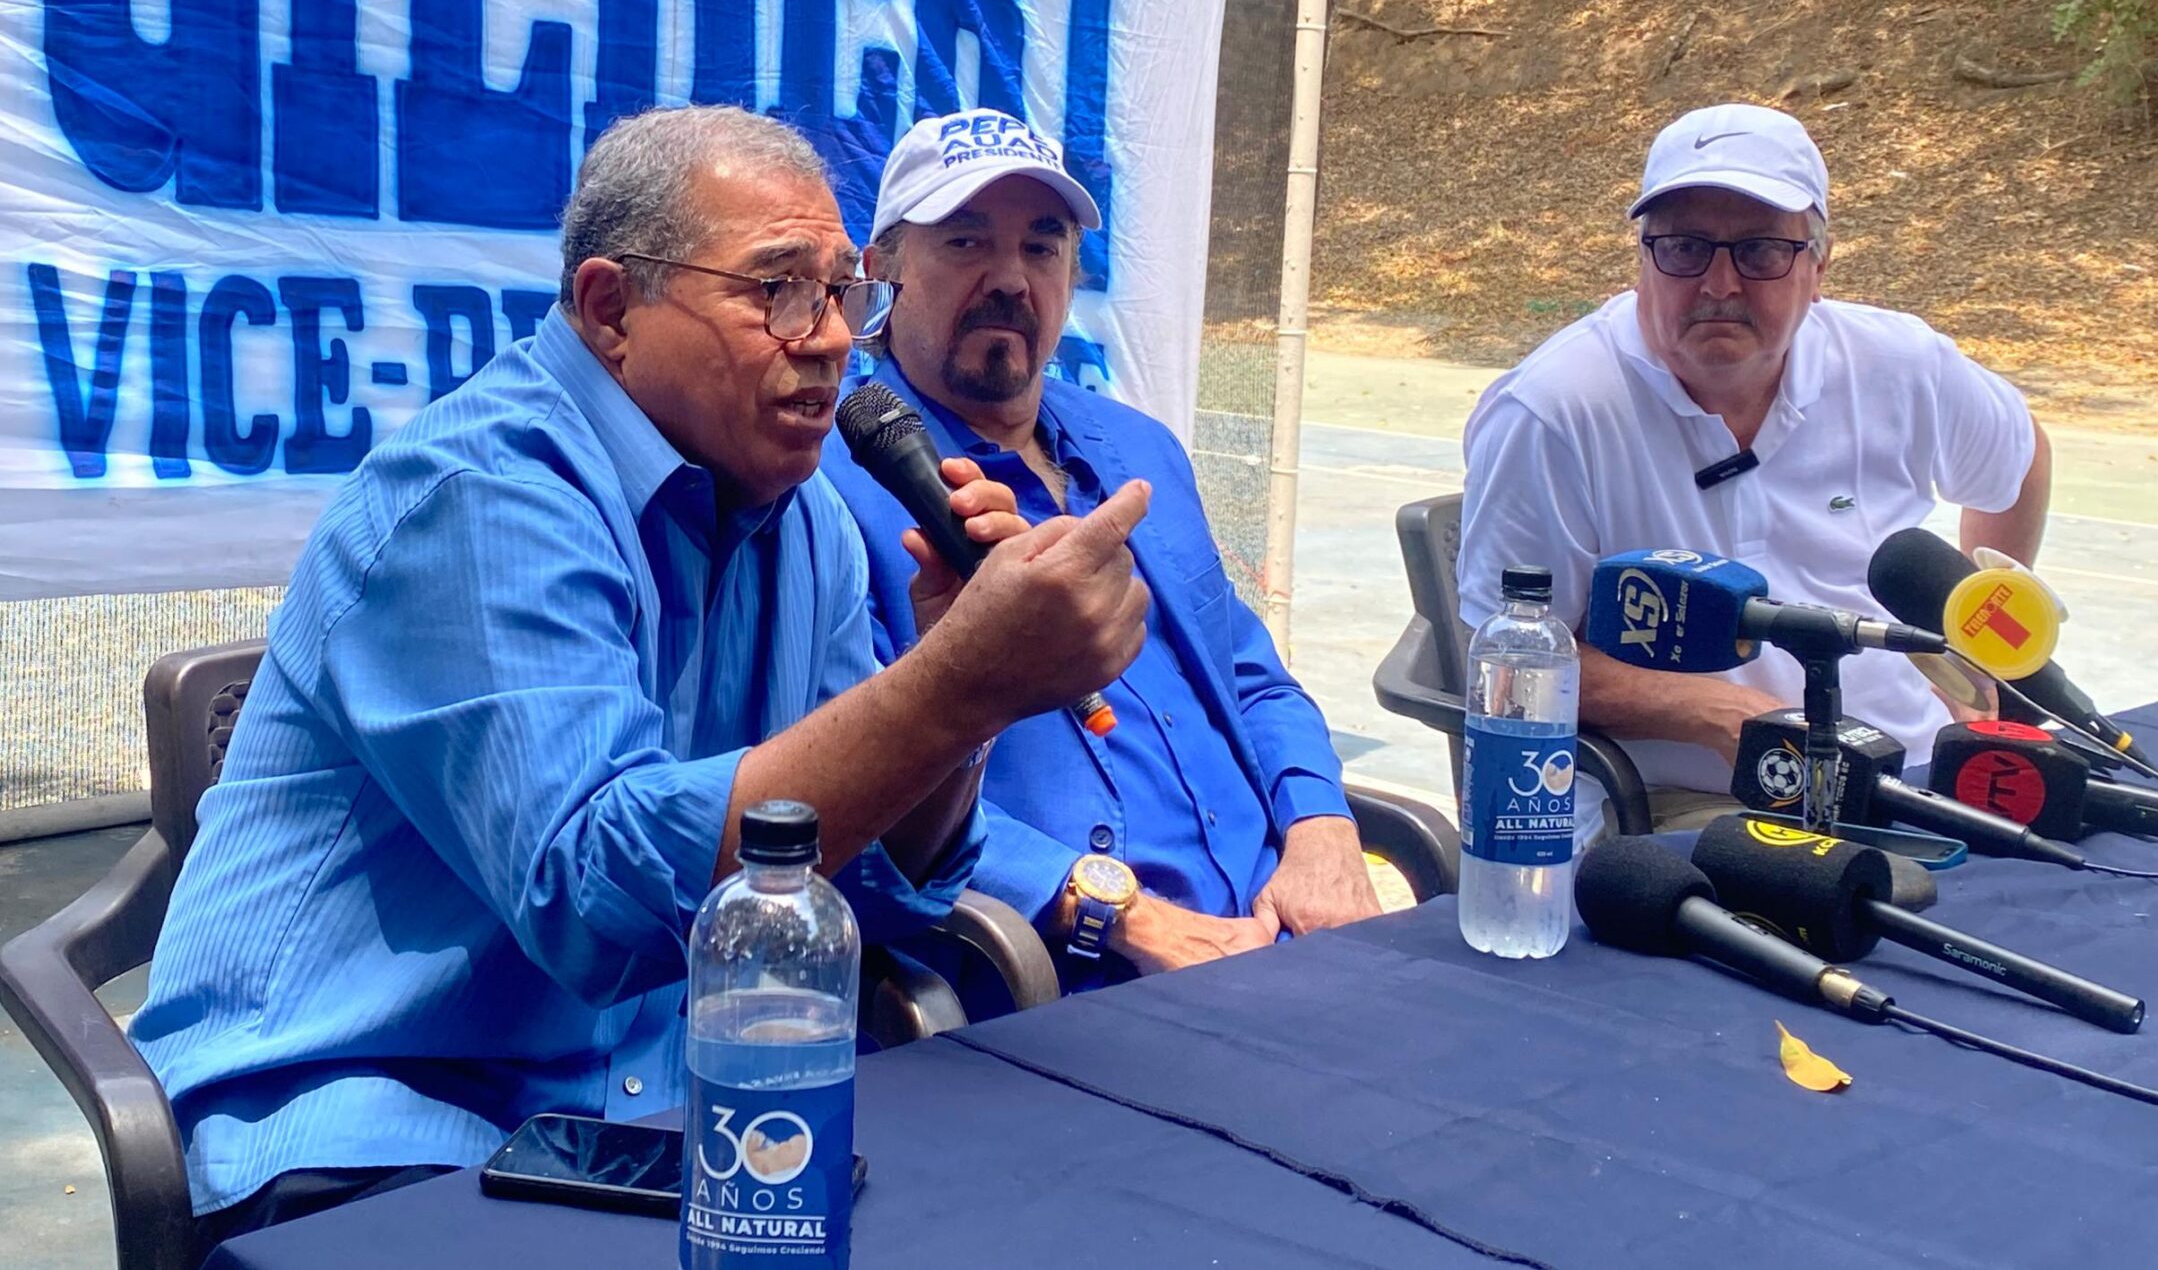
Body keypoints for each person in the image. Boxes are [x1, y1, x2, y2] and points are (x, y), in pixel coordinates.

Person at [132, 106, 1149, 1251]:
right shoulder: (476, 494)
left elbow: (858, 887)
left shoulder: (804, 521)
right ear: (612, 309)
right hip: (375, 1130)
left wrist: (962, 712)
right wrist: (952, 689)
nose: (824, 338)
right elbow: (594, 903)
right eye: (776, 291)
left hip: (657, 1130)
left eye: (842, 295)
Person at [824, 111, 1378, 990]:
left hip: (1291, 928)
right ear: (882, 265)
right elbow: (853, 793)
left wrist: (1321, 829)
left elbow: (1252, 676)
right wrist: (1123, 915)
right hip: (1076, 980)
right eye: (967, 241)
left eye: (1042, 247)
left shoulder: (1139, 448)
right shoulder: (829, 492)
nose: (1009, 278)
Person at [1456, 103, 2052, 816]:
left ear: (1819, 264)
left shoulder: (1899, 363)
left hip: (1918, 775)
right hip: (1684, 809)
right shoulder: (1554, 411)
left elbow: (2018, 461)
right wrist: (1713, 713)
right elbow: (1512, 660)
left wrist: (1978, 652)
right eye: (1683, 247)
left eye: (1761, 250)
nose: (1719, 284)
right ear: (1642, 258)